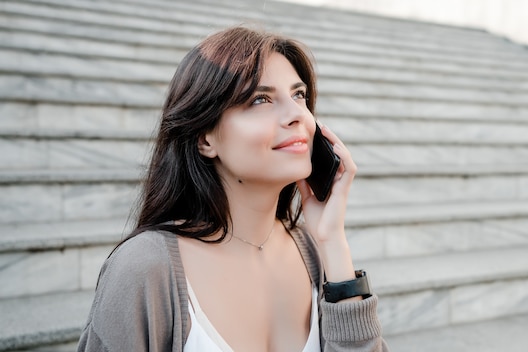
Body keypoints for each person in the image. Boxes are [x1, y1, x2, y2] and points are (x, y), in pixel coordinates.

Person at [78, 26, 389, 352]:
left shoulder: (314, 251)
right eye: (260, 99)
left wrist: (333, 244)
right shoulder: (143, 269)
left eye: (299, 95)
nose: (298, 115)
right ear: (205, 138)